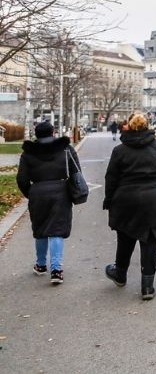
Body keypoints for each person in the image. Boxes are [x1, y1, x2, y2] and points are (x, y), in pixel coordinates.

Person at [103, 113, 156, 300]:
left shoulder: (120, 150)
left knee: (125, 238)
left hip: (127, 199)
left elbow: (111, 179)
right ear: (147, 126)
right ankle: (147, 287)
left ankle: (120, 275)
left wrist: (109, 200)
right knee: (151, 241)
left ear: (129, 126)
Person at [16, 121, 81, 285]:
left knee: (41, 228)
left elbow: (22, 179)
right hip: (61, 191)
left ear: (36, 135)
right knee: (57, 230)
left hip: (37, 192)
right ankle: (57, 270)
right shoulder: (66, 149)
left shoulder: (28, 153)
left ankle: (40, 265)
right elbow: (76, 171)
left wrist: (30, 193)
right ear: (53, 132)